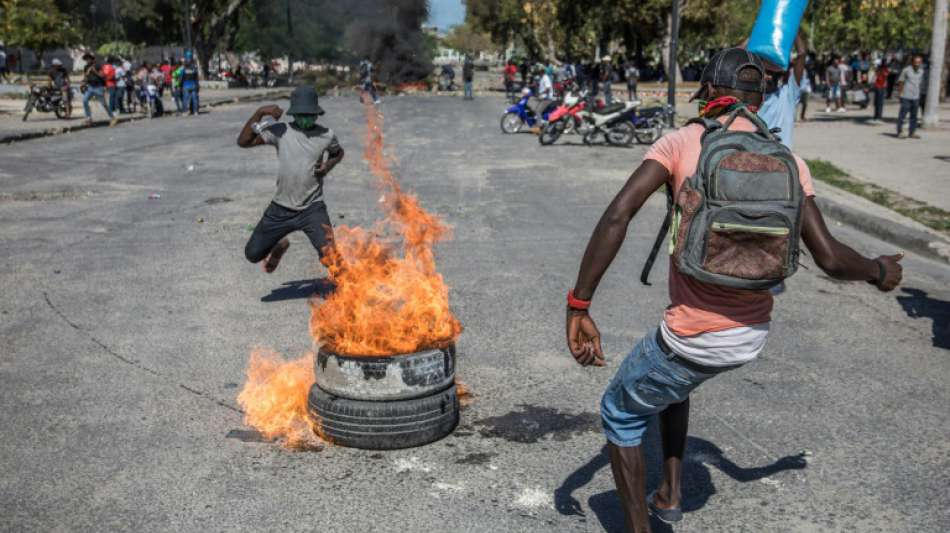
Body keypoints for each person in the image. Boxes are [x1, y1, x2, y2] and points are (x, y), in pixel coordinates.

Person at [565, 48, 903, 533]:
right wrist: (878, 269)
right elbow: (830, 257)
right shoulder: (787, 159)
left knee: (618, 411)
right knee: (672, 389)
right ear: (760, 101)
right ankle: (671, 493)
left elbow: (618, 214)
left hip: (693, 336)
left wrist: (579, 304)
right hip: (749, 336)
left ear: (707, 94)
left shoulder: (681, 143)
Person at [237, 86, 345, 274]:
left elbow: (338, 153)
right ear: (293, 114)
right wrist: (260, 113)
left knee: (331, 257)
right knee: (252, 254)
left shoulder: (326, 135)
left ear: (317, 114)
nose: (305, 119)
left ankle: (347, 292)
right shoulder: (280, 130)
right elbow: (244, 142)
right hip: (281, 208)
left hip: (312, 208)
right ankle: (279, 245)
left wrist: (328, 166)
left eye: (309, 115)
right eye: (301, 115)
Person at [756, 32, 805, 149]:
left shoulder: (787, 95)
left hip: (782, 158)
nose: (769, 77)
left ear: (780, 76)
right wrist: (758, 31)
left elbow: (801, 54)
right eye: (766, 72)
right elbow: (733, 56)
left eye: (773, 73)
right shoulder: (750, 97)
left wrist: (790, 27)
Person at [80, 53, 117, 126]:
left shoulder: (97, 65)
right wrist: (83, 83)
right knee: (84, 100)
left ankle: (113, 118)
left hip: (98, 87)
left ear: (91, 59)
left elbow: (102, 75)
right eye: (86, 59)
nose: (87, 60)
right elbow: (86, 77)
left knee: (104, 104)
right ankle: (89, 118)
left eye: (88, 58)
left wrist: (95, 71)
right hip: (90, 87)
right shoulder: (86, 67)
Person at [895, 55, 924, 139]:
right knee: (902, 115)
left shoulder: (921, 71)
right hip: (906, 96)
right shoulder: (906, 70)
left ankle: (912, 132)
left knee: (914, 116)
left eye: (919, 62)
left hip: (916, 97)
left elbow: (919, 83)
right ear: (912, 62)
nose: (917, 64)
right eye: (916, 62)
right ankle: (900, 132)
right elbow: (901, 82)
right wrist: (900, 94)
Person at [181, 51, 200, 115]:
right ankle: (195, 111)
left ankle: (185, 111)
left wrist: (180, 85)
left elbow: (182, 77)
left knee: (185, 99)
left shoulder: (184, 67)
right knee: (195, 99)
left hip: (186, 85)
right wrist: (197, 85)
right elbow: (196, 77)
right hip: (193, 84)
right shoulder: (194, 67)